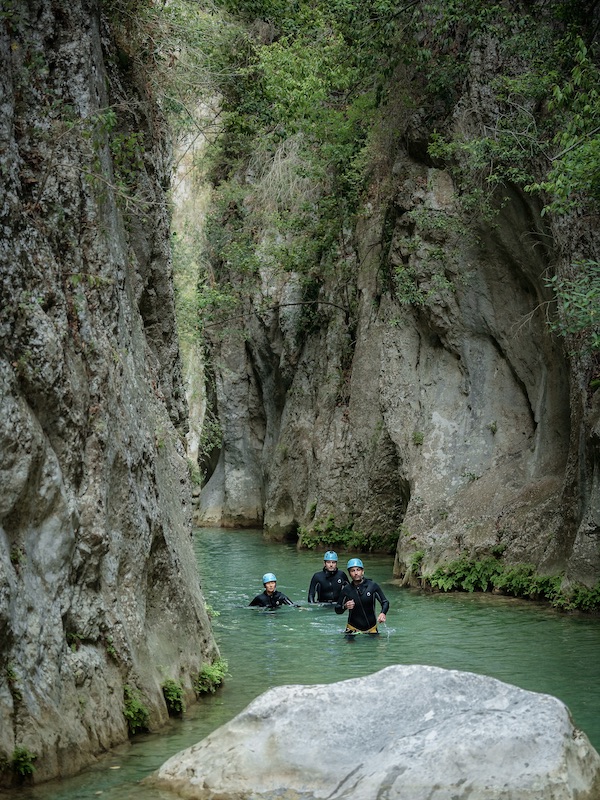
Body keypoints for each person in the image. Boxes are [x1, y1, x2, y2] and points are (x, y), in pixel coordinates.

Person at [335, 558, 389, 634]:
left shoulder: (372, 586)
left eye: (358, 570)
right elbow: (337, 609)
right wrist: (345, 606)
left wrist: (383, 613)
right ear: (349, 573)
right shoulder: (346, 589)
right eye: (353, 571)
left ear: (362, 571)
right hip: (352, 629)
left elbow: (385, 602)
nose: (356, 573)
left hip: (371, 629)